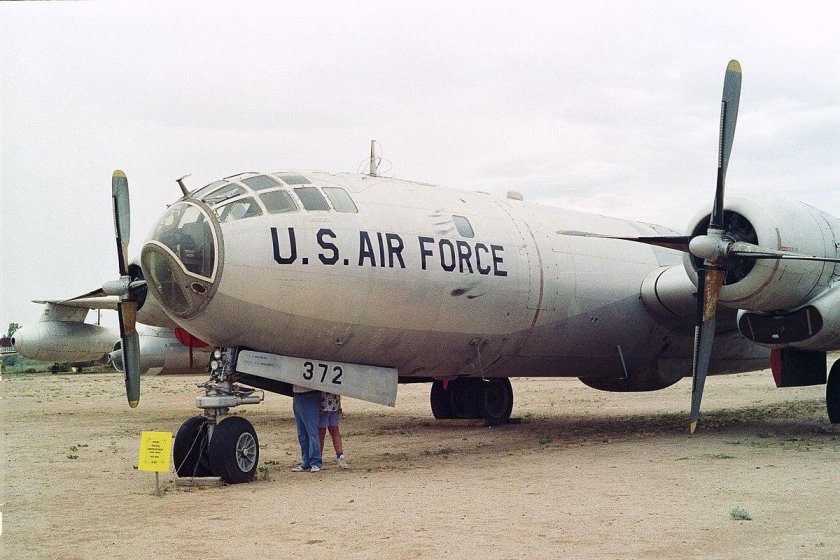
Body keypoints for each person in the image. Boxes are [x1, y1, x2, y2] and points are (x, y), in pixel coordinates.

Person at [292, 385, 322, 472]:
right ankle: (305, 461)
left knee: (312, 431)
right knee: (302, 433)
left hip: (310, 394)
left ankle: (315, 462)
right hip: (297, 395)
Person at [319, 392, 349, 469]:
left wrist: (339, 406)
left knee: (333, 431)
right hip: (325, 405)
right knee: (322, 432)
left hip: (332, 405)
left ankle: (340, 456)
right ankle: (318, 458)